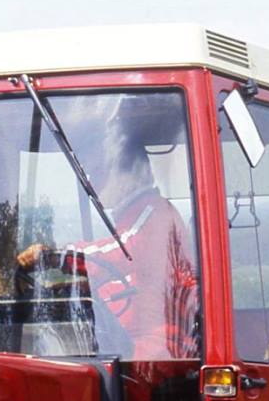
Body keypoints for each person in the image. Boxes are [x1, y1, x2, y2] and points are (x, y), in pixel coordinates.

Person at [17, 97, 199, 360]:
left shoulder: (153, 212)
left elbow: (121, 252)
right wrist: (63, 290)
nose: (94, 182)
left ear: (132, 174)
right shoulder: (136, 216)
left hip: (158, 353)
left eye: (103, 171)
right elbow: (117, 280)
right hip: (130, 345)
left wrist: (54, 256)